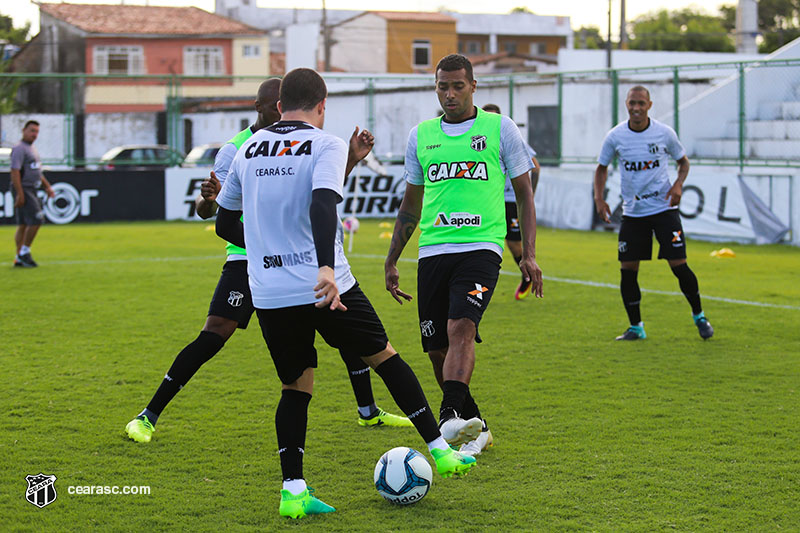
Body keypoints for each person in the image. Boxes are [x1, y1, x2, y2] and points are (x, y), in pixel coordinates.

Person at [215, 67, 476, 518]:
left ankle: (293, 492)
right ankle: (441, 451)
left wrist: (265, 243)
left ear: (279, 107)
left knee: (295, 387)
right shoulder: (326, 143)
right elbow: (321, 204)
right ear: (322, 105)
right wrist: (323, 267)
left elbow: (222, 224)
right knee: (386, 358)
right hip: (326, 283)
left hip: (271, 291)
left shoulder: (248, 151)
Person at [125, 79, 409, 445]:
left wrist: (351, 159)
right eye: (269, 105)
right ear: (260, 106)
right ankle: (148, 415)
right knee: (214, 334)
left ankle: (368, 411)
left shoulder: (306, 139)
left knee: (345, 327)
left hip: (302, 256)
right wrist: (208, 202)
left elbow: (319, 193)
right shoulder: (236, 150)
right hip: (248, 259)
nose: (278, 110)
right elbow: (210, 212)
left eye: (281, 103)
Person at [384, 54, 544, 458]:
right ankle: (475, 424)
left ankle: (448, 414)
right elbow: (411, 204)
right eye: (442, 86)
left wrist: (529, 254)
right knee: (436, 347)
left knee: (461, 328)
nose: (450, 94)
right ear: (435, 88)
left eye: (458, 85)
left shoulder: (499, 128)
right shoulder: (420, 136)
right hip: (432, 250)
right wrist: (392, 259)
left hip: (482, 247)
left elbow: (524, 193)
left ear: (474, 86)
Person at [594, 85, 714, 341]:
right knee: (628, 270)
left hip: (663, 210)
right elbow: (601, 168)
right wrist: (599, 198)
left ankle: (699, 316)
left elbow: (683, 162)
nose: (636, 108)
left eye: (641, 103)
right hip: (633, 213)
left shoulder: (664, 133)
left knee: (679, 265)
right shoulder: (615, 136)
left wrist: (679, 184)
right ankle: (636, 327)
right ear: (626, 104)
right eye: (632, 103)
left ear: (649, 105)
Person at [482, 103, 541, 300]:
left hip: (510, 200)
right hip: (490, 201)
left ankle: (527, 275)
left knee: (515, 243)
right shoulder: (477, 141)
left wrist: (529, 193)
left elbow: (536, 167)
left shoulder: (510, 138)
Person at [10, 120, 54, 267]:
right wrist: (20, 193)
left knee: (23, 224)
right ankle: (24, 252)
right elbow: (15, 171)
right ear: (24, 130)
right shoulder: (19, 148)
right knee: (37, 219)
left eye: (36, 131)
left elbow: (36, 171)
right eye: (32, 130)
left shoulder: (31, 148)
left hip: (32, 188)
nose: (34, 134)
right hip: (25, 188)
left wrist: (47, 186)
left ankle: (18, 257)